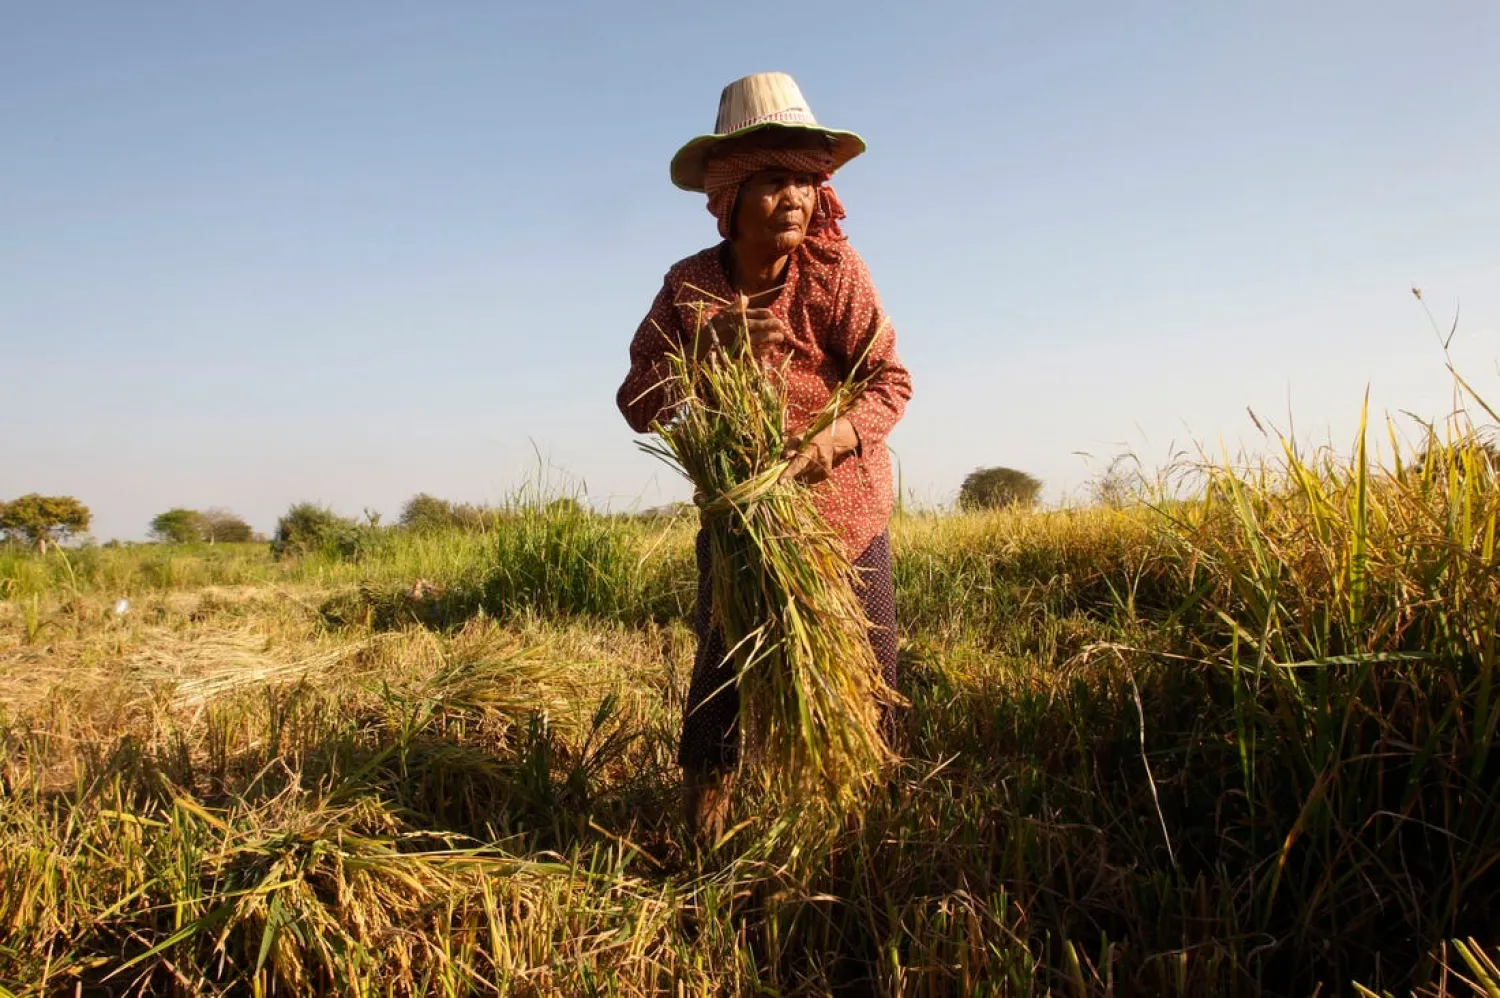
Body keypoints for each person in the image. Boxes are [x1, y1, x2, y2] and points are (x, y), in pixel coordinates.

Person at [616, 72, 912, 842]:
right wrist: (702, 354)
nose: (795, 199)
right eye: (773, 181)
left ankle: (867, 837)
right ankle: (701, 845)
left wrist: (833, 440)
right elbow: (635, 404)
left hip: (843, 512)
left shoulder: (833, 273)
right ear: (731, 198)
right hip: (743, 526)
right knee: (721, 683)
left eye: (805, 182)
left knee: (870, 677)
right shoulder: (691, 288)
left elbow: (891, 380)